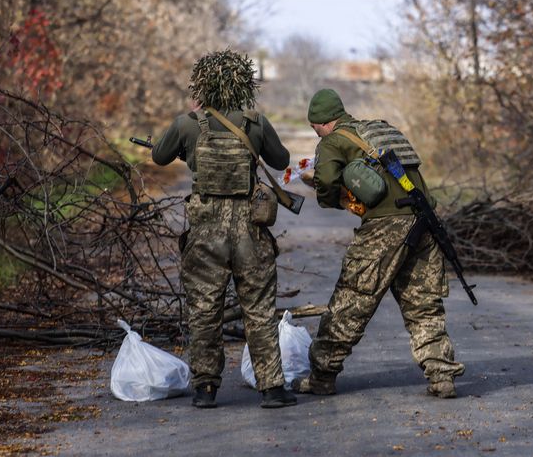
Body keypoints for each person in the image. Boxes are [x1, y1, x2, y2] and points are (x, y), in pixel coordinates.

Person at [292, 88, 465, 398]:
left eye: (314, 128)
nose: (316, 133)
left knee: (351, 300)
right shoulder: (381, 130)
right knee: (423, 305)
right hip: (423, 220)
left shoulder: (332, 142)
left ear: (320, 122)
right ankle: (442, 375)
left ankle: (321, 376)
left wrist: (334, 199)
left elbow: (327, 183)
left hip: (384, 227)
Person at [151, 49, 297, 409]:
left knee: (204, 310)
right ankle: (272, 388)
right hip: (250, 227)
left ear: (201, 84)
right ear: (244, 83)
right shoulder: (256, 121)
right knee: (260, 310)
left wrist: (191, 150)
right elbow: (282, 160)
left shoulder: (188, 123)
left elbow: (158, 157)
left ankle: (205, 389)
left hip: (206, 231)